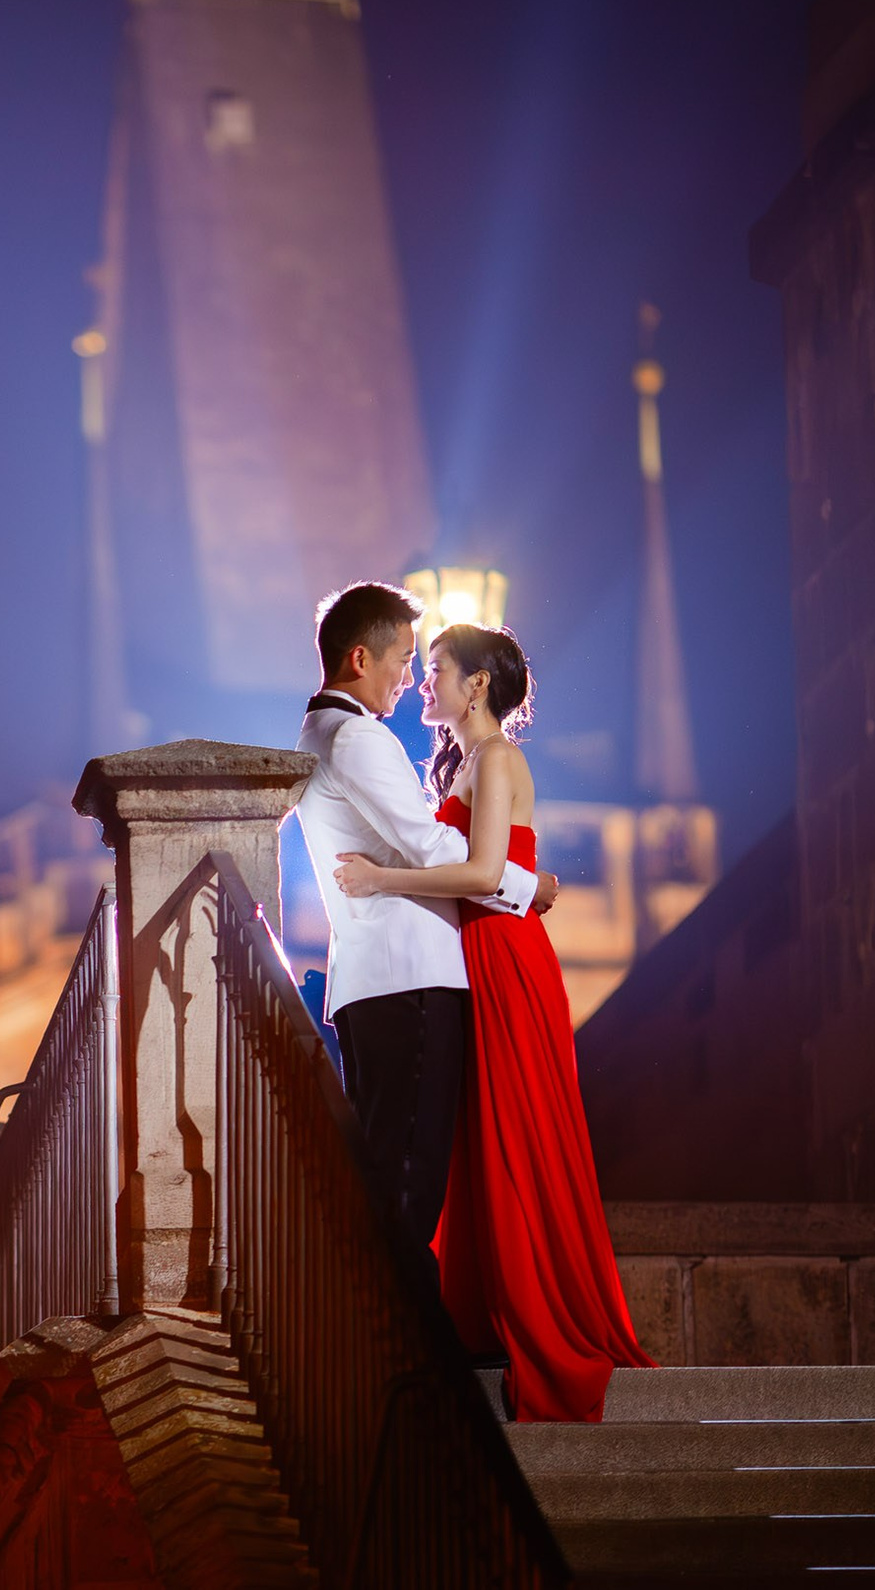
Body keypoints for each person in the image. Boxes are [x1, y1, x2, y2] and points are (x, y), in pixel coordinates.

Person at [334, 622, 653, 1422]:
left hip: (505, 962)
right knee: (476, 1141)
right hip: (474, 958)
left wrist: (382, 879)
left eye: (436, 669)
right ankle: (480, 1315)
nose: (425, 683)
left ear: (476, 686)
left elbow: (479, 873)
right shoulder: (465, 762)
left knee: (517, 1133)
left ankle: (543, 1318)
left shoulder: (499, 758)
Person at [294, 583, 547, 1252]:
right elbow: (432, 846)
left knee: (390, 1172)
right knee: (411, 1179)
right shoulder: (357, 739)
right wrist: (528, 883)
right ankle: (399, 1348)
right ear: (359, 658)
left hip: (374, 982)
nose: (407, 680)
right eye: (402, 661)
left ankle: (391, 1337)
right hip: (409, 980)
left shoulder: (320, 733)